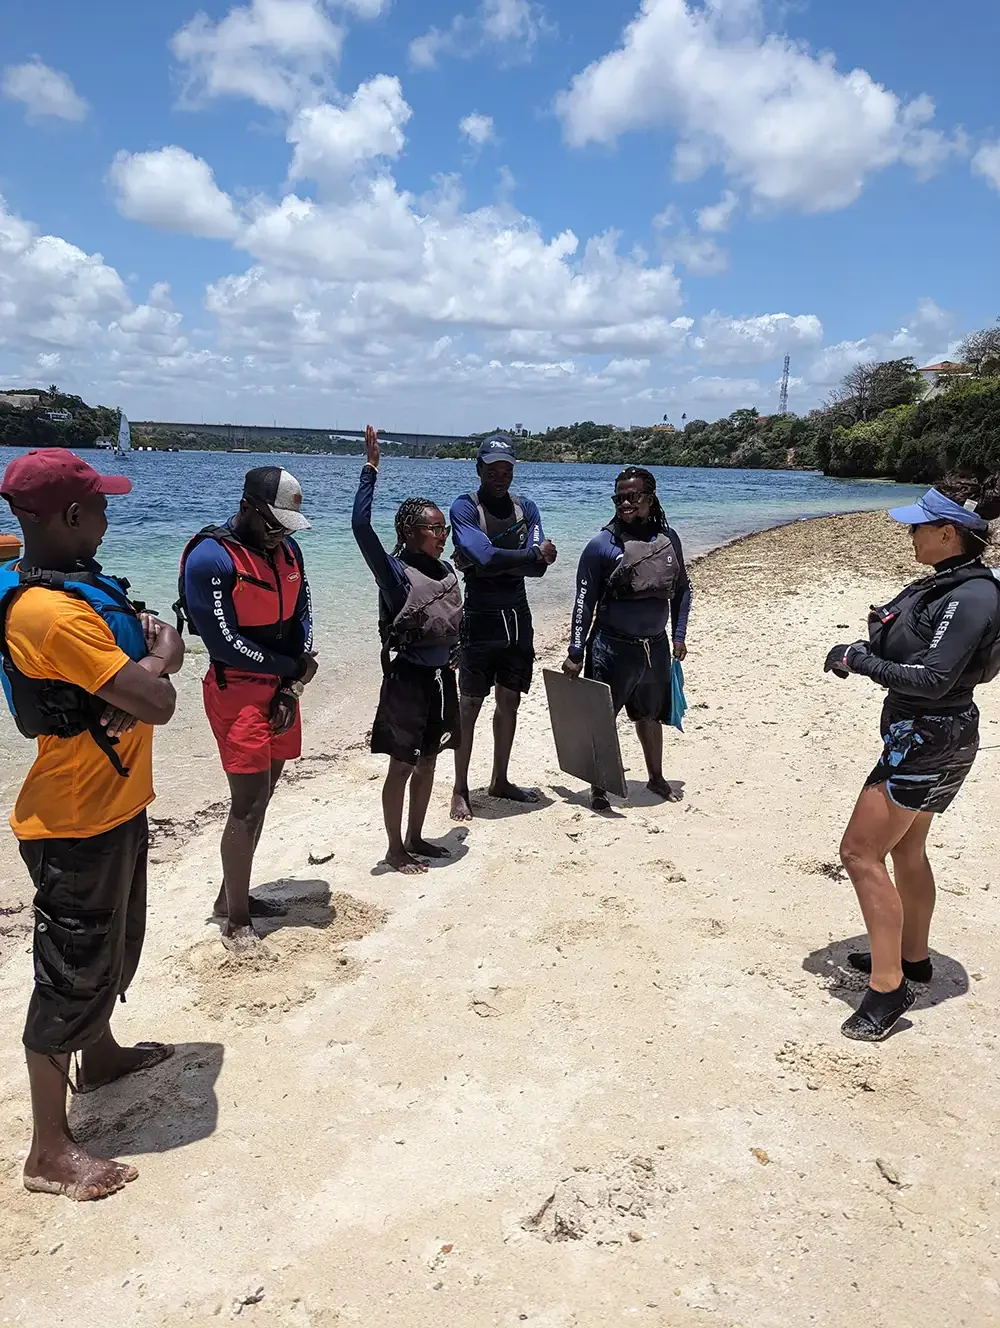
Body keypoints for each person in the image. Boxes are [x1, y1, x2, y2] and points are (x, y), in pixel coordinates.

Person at [0, 448, 185, 1202]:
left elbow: (139, 683)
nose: (110, 517)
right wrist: (163, 655)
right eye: (101, 507)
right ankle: (49, 1151)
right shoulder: (50, 612)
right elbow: (159, 700)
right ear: (71, 518)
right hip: (74, 818)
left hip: (111, 803)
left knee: (113, 942)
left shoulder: (67, 589)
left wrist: (145, 666)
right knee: (69, 974)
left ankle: (100, 1055)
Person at [825, 475, 1000, 1042]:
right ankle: (915, 958)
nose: (911, 536)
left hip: (928, 736)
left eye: (919, 527)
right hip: (935, 733)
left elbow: (932, 678)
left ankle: (887, 986)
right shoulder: (956, 584)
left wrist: (857, 660)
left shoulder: (972, 596)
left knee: (859, 851)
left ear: (948, 533)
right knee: (908, 846)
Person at [177, 467, 317, 952]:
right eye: (274, 522)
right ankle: (236, 919)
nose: (281, 533)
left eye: (287, 524)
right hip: (237, 689)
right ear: (248, 507)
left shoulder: (288, 549)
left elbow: (303, 613)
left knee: (265, 793)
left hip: (282, 686)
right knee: (248, 800)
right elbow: (224, 642)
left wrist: (290, 685)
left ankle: (229, 896)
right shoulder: (211, 558)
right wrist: (291, 667)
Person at [352, 427, 464, 873]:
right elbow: (360, 527)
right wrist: (370, 471)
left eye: (444, 528)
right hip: (408, 681)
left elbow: (456, 624)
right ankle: (395, 848)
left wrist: (459, 655)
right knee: (402, 765)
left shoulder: (447, 571)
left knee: (431, 759)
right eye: (434, 528)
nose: (442, 535)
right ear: (410, 532)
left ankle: (418, 836)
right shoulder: (394, 575)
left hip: (442, 681)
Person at [562, 466, 692, 811]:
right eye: (619, 497)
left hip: (655, 646)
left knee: (650, 716)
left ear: (650, 498)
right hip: (610, 648)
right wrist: (576, 650)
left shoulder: (669, 540)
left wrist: (678, 635)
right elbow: (582, 601)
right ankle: (598, 786)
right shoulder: (601, 546)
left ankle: (656, 777)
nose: (625, 503)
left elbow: (682, 591)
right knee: (602, 719)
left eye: (632, 496)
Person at [449, 435, 556, 820]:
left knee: (509, 701)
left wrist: (495, 561)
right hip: (480, 616)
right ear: (479, 469)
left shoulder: (526, 508)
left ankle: (500, 779)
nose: (499, 476)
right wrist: (522, 556)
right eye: (492, 469)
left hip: (517, 616)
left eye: (506, 470)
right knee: (469, 706)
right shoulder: (464, 507)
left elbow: (538, 568)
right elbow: (483, 554)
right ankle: (460, 789)